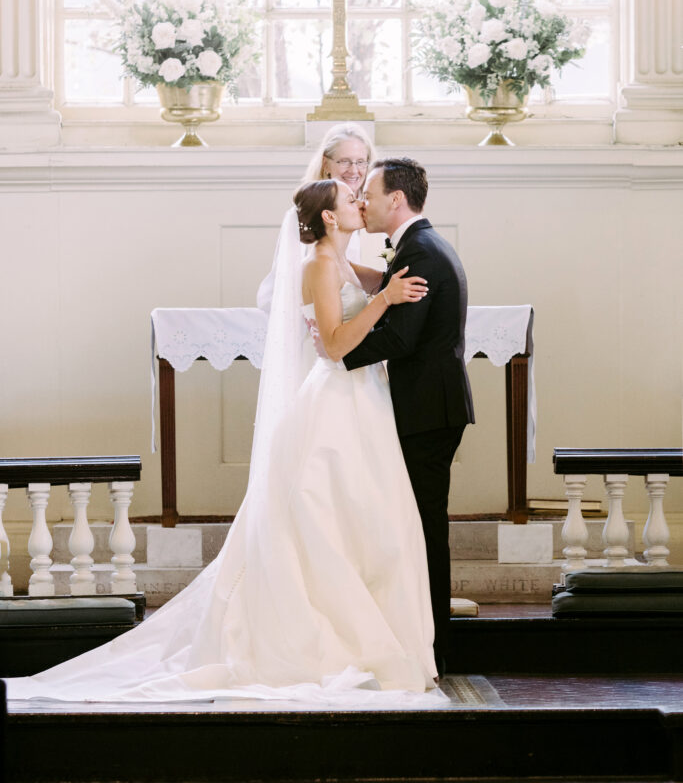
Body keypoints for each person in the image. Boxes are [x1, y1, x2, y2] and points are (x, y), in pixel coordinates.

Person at [5, 179, 445, 706]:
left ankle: (373, 633)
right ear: (328, 217)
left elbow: (377, 288)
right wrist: (386, 301)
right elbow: (331, 346)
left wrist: (392, 284)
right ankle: (331, 639)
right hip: (336, 400)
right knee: (328, 516)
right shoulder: (321, 266)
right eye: (351, 200)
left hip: (363, 402)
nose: (360, 202)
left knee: (369, 523)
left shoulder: (344, 262)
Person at [343, 158, 475, 678]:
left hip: (426, 412)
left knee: (425, 529)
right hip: (431, 407)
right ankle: (421, 636)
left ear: (395, 199)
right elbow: (395, 301)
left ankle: (435, 645)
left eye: (369, 194)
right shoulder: (422, 246)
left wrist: (335, 353)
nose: (363, 203)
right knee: (418, 525)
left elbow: (401, 337)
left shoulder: (419, 250)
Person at [257, 122, 374, 312]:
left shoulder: (376, 216)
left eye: (360, 162)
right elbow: (282, 286)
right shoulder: (310, 215)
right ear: (326, 163)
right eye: (344, 161)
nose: (354, 170)